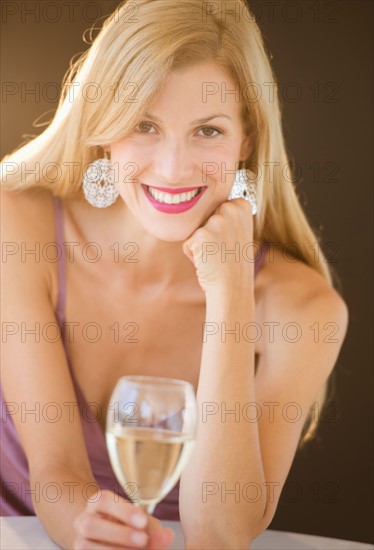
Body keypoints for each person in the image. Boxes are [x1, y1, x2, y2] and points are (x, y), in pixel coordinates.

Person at [1, 0, 349, 548]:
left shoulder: (304, 310)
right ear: (103, 125)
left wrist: (230, 290)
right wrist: (85, 534)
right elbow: (55, 472)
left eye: (207, 132)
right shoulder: (17, 228)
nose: (172, 168)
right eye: (144, 124)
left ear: (247, 140)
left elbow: (220, 534)